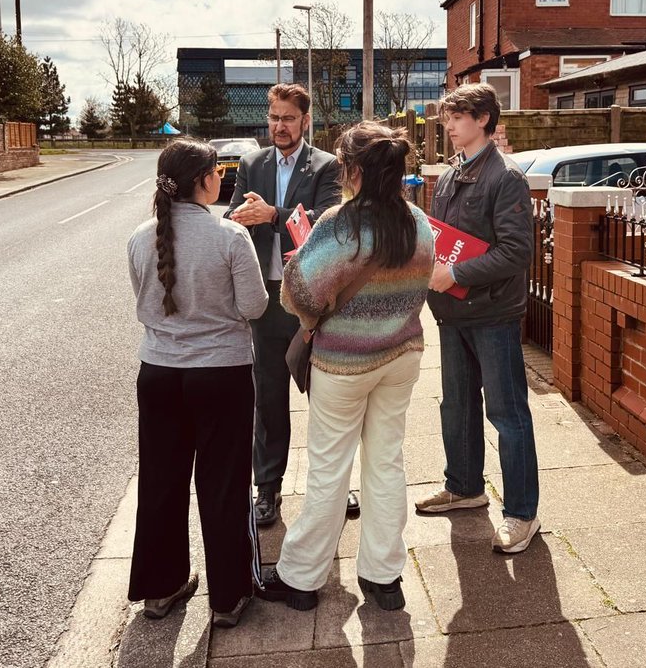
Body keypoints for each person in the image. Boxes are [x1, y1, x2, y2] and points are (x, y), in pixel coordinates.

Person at [257, 121, 435, 611]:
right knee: (386, 463)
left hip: (344, 365)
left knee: (329, 470)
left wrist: (302, 260)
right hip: (401, 357)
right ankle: (383, 577)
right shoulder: (420, 222)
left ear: (353, 170)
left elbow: (299, 296)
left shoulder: (341, 222)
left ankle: (301, 578)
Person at [126, 138, 269, 629]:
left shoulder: (140, 237)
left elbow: (145, 303)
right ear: (204, 181)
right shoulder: (229, 236)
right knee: (224, 485)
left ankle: (160, 588)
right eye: (217, 172)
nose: (222, 180)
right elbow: (253, 307)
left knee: (161, 482)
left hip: (160, 373)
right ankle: (228, 596)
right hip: (221, 375)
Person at [416, 83, 541, 554]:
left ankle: (522, 514)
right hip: (452, 312)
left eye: (458, 117)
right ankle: (465, 487)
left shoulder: (505, 177)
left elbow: (517, 251)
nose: (448, 126)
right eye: (448, 118)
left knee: (508, 414)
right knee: (457, 405)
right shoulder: (450, 175)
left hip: (492, 315)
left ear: (484, 119)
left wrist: (456, 273)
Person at [225, 83, 345, 527]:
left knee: (328, 397)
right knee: (269, 399)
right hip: (267, 299)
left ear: (305, 121)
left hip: (312, 300)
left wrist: (274, 215)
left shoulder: (326, 166)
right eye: (274, 117)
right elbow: (232, 219)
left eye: (288, 118)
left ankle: (336, 485)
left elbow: (326, 224)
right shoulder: (251, 163)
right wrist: (242, 214)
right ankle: (268, 490)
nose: (279, 126)